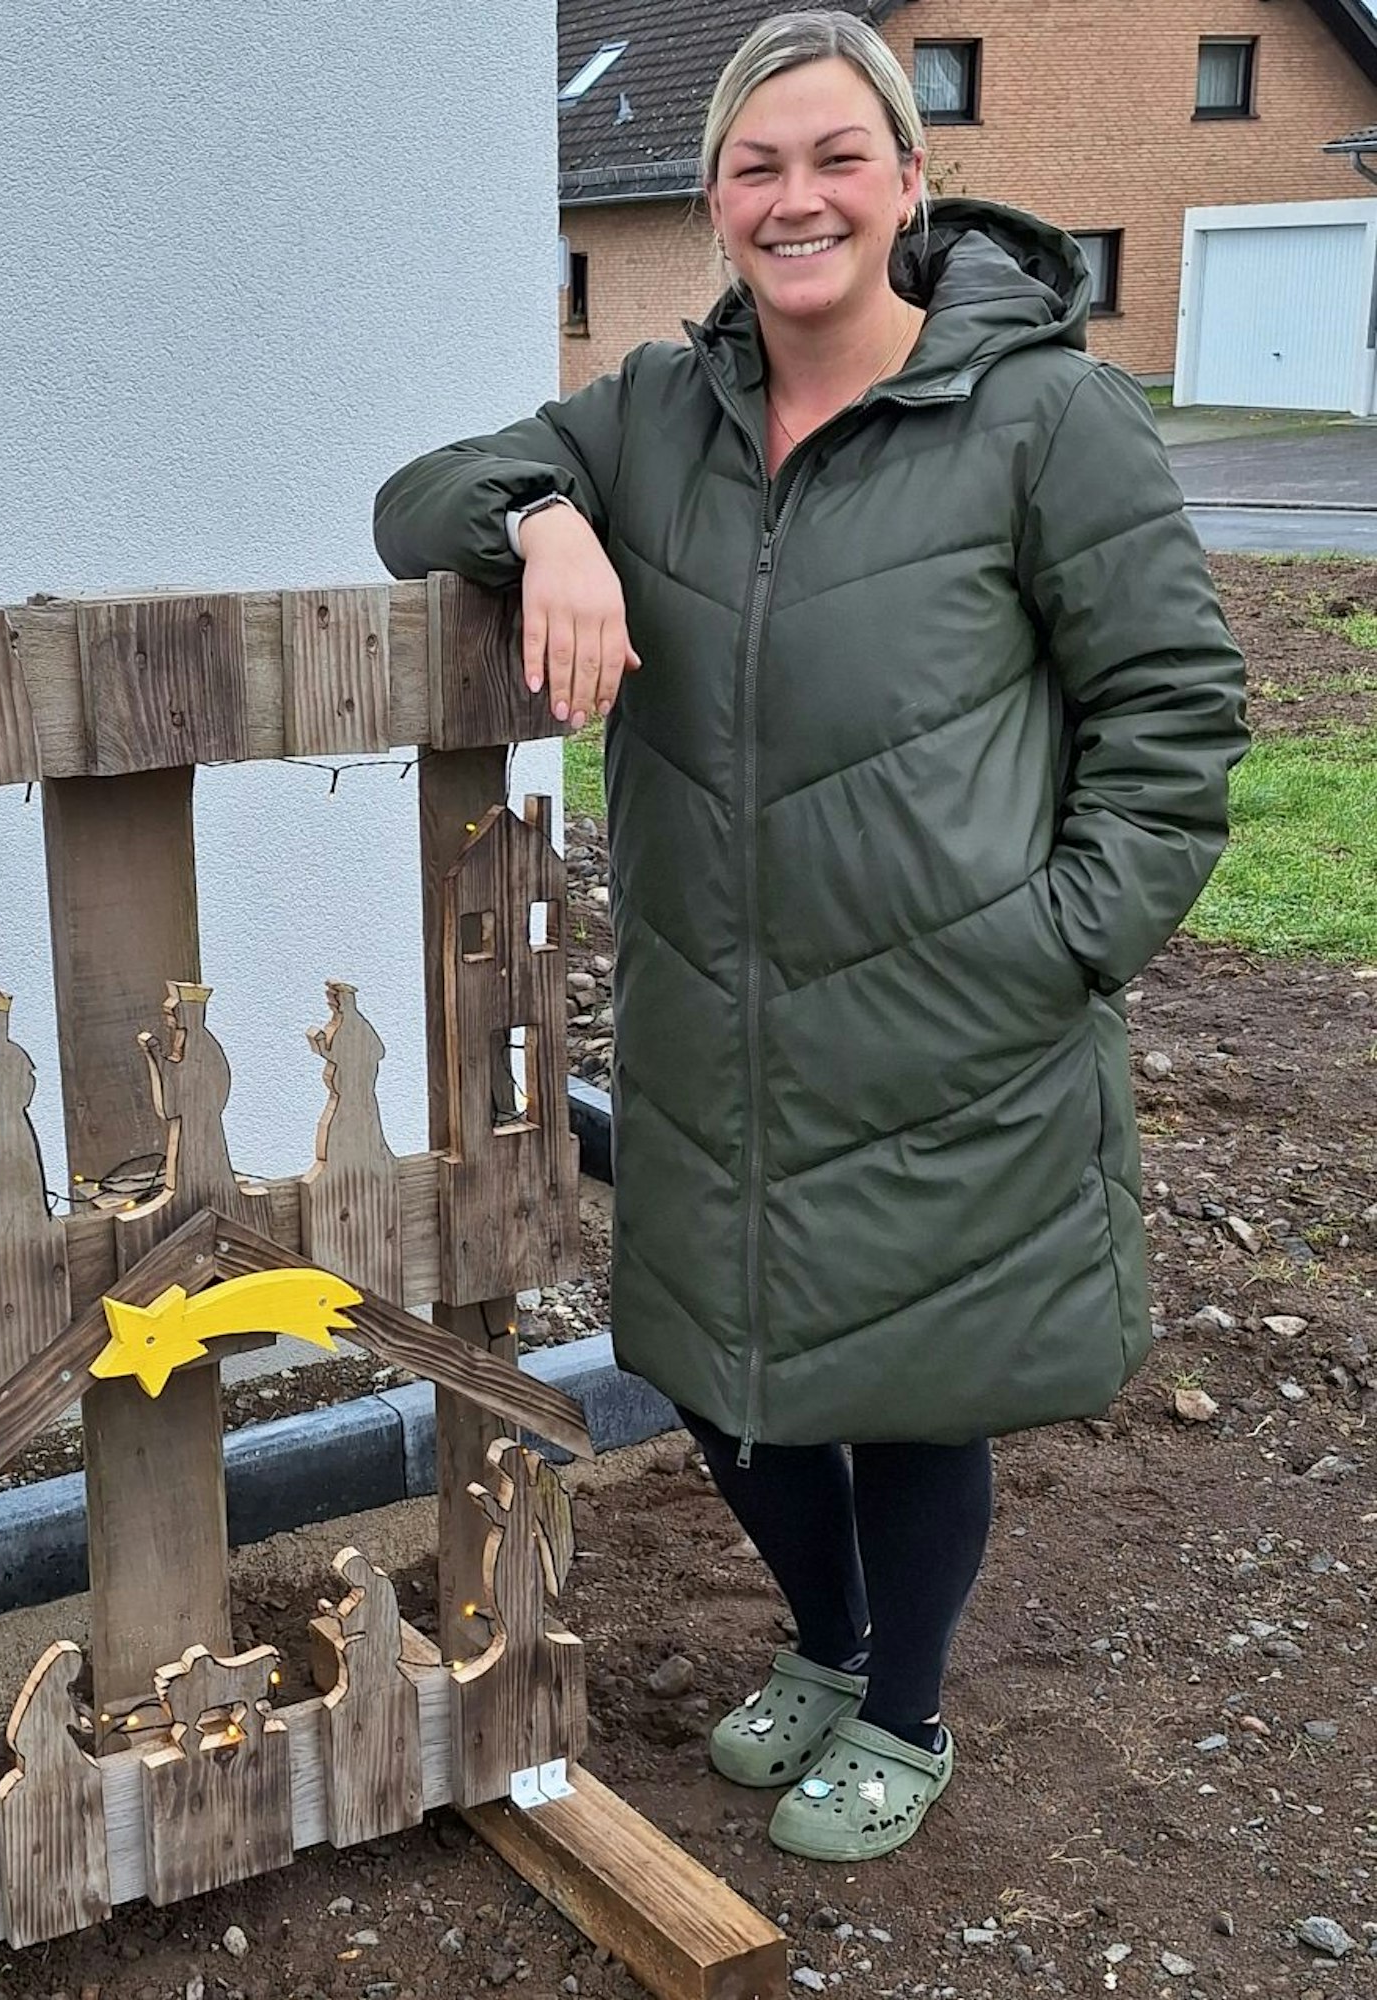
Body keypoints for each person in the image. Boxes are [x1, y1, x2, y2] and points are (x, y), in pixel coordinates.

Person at [374, 10, 1247, 1861]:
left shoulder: (1042, 420)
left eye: (840, 158)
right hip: (723, 1020)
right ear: (712, 202)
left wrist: (1053, 949)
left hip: (962, 1020)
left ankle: (907, 1710)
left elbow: (1175, 717)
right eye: (758, 167)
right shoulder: (653, 419)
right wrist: (546, 521)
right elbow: (409, 504)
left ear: (908, 184)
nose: (800, 199)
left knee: (919, 1392)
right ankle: (831, 1643)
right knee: (720, 1371)